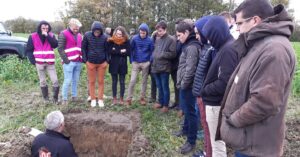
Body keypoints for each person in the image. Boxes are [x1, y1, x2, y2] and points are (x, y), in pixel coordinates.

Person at [216, 0, 296, 157]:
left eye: (239, 23)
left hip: (257, 147)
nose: (237, 29)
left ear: (255, 20)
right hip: (249, 139)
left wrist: (233, 120)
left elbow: (265, 103)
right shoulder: (259, 44)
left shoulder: (274, 50)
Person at [200, 15, 238, 157]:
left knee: (217, 144)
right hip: (215, 102)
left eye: (210, 36)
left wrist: (205, 90)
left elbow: (225, 82)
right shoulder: (225, 46)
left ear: (217, 33)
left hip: (216, 104)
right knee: (216, 142)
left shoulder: (228, 50)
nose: (209, 40)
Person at [175, 20, 200, 154]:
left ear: (186, 32)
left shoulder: (192, 47)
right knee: (186, 109)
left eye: (179, 35)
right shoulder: (187, 44)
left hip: (188, 86)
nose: (178, 39)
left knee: (191, 113)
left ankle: (191, 141)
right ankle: (184, 130)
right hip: (184, 85)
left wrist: (183, 84)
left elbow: (190, 69)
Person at [192, 16, 214, 157]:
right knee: (206, 127)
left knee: (209, 129)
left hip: (206, 96)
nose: (197, 36)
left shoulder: (212, 51)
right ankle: (207, 151)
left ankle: (209, 153)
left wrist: (203, 92)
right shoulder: (205, 47)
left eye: (199, 33)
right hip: (201, 93)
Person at [26, 21, 59, 104]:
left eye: (47, 28)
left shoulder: (51, 35)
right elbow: (29, 50)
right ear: (40, 28)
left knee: (55, 81)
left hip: (50, 62)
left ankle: (55, 99)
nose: (45, 30)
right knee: (42, 81)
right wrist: (33, 62)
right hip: (39, 63)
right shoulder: (33, 36)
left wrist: (47, 36)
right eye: (43, 28)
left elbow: (55, 45)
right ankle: (46, 98)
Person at [82, 21, 109, 107]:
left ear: (101, 30)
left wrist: (107, 61)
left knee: (101, 81)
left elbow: (107, 50)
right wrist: (86, 61)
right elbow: (83, 48)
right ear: (92, 30)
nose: (97, 32)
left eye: (99, 31)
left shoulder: (105, 37)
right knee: (92, 81)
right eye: (95, 31)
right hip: (91, 63)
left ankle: (100, 99)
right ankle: (93, 98)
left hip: (102, 63)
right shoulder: (87, 35)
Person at [126, 23, 154, 105]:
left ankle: (142, 98)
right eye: (141, 32)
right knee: (132, 80)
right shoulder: (134, 38)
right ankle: (129, 98)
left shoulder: (150, 40)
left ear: (147, 32)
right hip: (136, 62)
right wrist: (131, 60)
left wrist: (149, 61)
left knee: (144, 81)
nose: (142, 34)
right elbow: (130, 49)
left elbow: (152, 51)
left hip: (145, 63)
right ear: (139, 31)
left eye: (144, 32)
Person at [151, 21, 176, 113]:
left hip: (165, 68)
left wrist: (161, 54)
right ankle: (160, 102)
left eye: (160, 31)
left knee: (165, 87)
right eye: (158, 31)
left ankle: (166, 105)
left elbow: (173, 54)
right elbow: (155, 51)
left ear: (165, 29)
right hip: (155, 66)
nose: (159, 32)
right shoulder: (157, 39)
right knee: (159, 86)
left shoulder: (171, 39)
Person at [58, 18, 83, 105]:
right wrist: (66, 61)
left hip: (78, 61)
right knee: (67, 80)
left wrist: (81, 58)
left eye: (78, 28)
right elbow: (60, 48)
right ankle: (64, 98)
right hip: (69, 62)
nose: (76, 30)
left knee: (75, 80)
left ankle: (74, 96)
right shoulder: (63, 34)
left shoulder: (80, 35)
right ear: (70, 26)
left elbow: (81, 47)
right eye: (74, 28)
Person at [107, 26, 130, 105]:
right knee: (114, 81)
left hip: (123, 64)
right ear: (115, 33)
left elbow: (129, 52)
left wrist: (115, 50)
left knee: (122, 82)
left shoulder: (126, 41)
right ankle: (114, 98)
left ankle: (121, 98)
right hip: (113, 64)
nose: (118, 36)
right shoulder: (111, 41)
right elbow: (109, 51)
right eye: (117, 34)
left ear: (123, 34)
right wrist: (121, 51)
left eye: (120, 34)